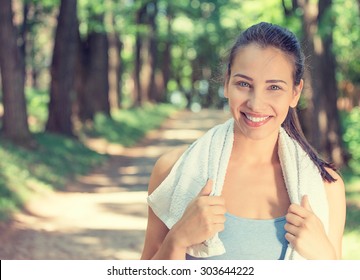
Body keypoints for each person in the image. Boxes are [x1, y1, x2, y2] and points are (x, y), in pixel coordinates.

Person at [140, 22, 346, 260]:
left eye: (274, 87)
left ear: (295, 93)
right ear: (227, 83)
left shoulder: (327, 187)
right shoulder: (171, 170)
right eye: (244, 84)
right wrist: (177, 239)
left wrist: (326, 259)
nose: (256, 103)